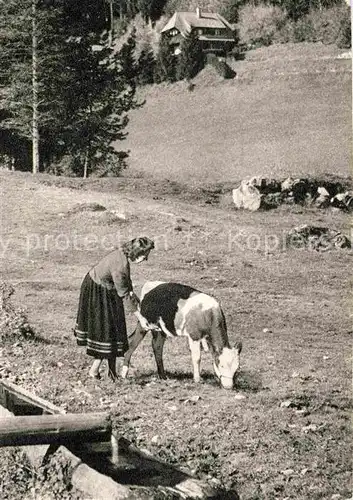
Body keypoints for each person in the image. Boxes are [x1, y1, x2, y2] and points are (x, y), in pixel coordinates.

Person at [74, 236, 154, 380]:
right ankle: (94, 371)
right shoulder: (120, 265)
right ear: (136, 253)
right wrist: (141, 318)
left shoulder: (123, 256)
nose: (146, 259)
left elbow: (125, 285)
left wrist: (134, 296)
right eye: (144, 256)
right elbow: (124, 294)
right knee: (107, 332)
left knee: (115, 330)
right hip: (97, 289)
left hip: (107, 288)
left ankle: (111, 373)